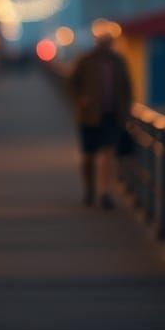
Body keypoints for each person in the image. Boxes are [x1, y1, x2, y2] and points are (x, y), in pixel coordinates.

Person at [69, 22, 133, 209]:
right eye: (103, 40)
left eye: (108, 40)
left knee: (109, 153)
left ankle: (105, 192)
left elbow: (127, 87)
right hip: (89, 116)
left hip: (112, 115)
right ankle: (89, 190)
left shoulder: (119, 61)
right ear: (97, 41)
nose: (106, 44)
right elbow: (73, 83)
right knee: (89, 155)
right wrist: (80, 99)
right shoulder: (86, 60)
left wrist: (126, 110)